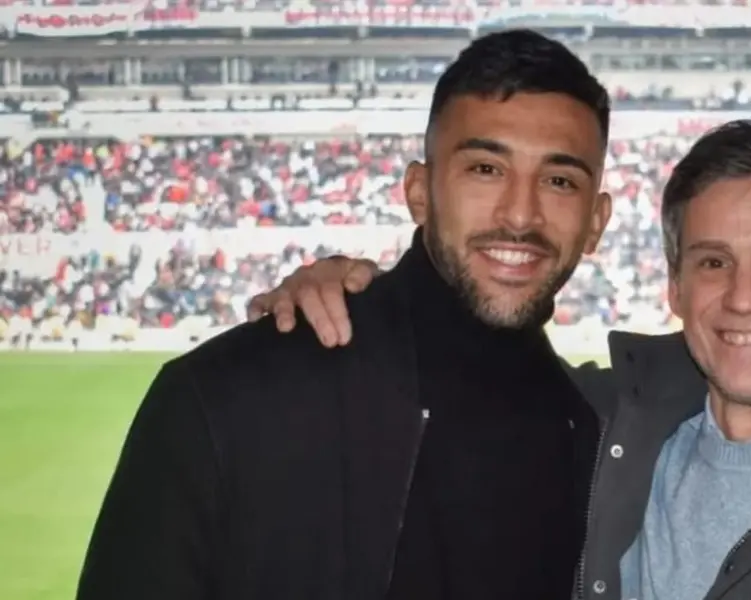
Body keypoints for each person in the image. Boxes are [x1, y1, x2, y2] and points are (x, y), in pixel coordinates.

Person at [249, 120, 751, 600]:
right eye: (713, 263)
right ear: (675, 286)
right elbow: (454, 379)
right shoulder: (604, 425)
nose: (743, 298)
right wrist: (361, 297)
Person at [77, 29, 614, 600]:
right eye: (485, 169)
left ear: (596, 223)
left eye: (559, 181)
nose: (520, 215)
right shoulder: (226, 397)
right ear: (419, 192)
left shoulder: (607, 440)